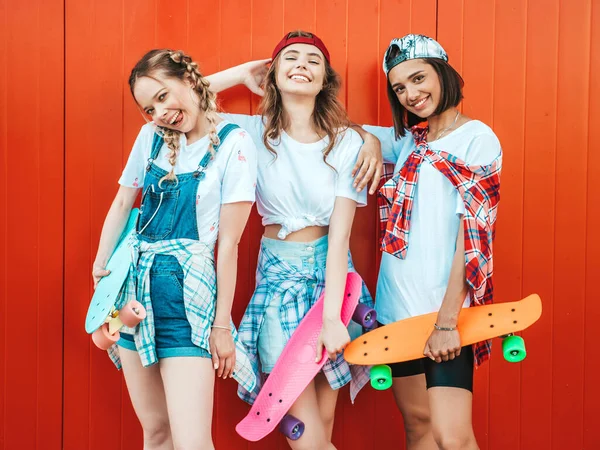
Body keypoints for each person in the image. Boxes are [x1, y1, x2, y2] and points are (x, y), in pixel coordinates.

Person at [205, 31, 381, 449]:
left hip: (332, 279)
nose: (302, 64)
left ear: (325, 81)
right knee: (306, 437)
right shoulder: (248, 132)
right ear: (274, 74)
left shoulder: (347, 141)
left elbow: (339, 240)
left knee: (322, 425)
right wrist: (240, 73)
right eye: (290, 58)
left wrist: (334, 319)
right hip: (279, 278)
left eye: (313, 61)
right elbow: (180, 101)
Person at [91, 49, 258, 450]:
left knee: (192, 442)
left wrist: (221, 325)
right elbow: (121, 204)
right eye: (149, 108)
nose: (159, 113)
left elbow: (230, 244)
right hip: (131, 293)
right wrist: (100, 272)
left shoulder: (235, 142)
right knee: (156, 432)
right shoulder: (150, 138)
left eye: (163, 97)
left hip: (189, 301)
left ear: (189, 79)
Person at [363, 34, 502, 449]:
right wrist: (371, 140)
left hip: (443, 313)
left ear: (443, 73)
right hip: (395, 309)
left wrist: (447, 322)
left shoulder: (476, 138)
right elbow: (339, 129)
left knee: (452, 437)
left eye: (418, 78)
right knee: (419, 426)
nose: (411, 94)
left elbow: (473, 236)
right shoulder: (408, 141)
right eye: (400, 87)